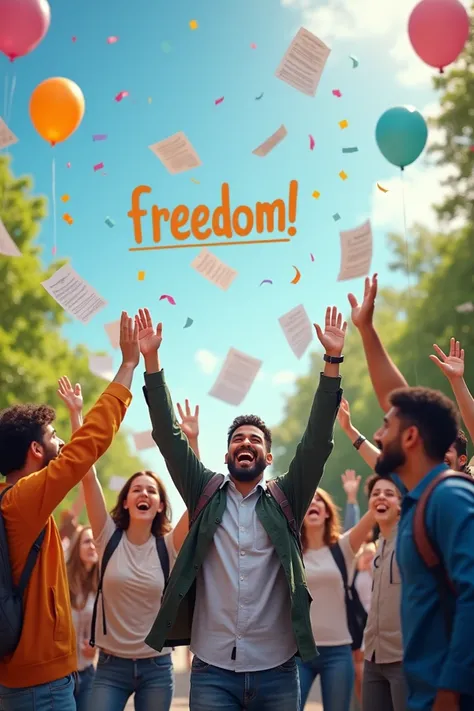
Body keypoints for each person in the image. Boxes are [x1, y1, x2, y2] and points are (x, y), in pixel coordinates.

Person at [138, 305, 346, 711]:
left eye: (255, 440)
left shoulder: (288, 497)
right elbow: (167, 433)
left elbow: (318, 441)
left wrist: (333, 362)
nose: (246, 443)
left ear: (268, 458)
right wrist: (151, 360)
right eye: (238, 438)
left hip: (279, 670)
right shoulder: (203, 490)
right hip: (212, 671)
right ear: (227, 452)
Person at [0, 311, 137, 710]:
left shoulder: (18, 501)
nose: (61, 440)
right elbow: (88, 445)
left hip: (35, 681)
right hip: (40, 689)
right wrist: (127, 366)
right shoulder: (23, 498)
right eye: (53, 435)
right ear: (35, 451)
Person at [56, 376, 193, 711]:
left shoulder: (169, 545)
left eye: (152, 491)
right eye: (137, 489)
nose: (144, 493)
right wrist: (76, 415)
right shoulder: (107, 537)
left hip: (157, 667)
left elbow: (198, 499)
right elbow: (86, 471)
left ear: (160, 504)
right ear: (127, 501)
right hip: (111, 667)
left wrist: (190, 443)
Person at [373, 386, 474, 711]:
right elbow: (395, 388)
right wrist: (368, 333)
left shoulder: (449, 497)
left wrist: (451, 688)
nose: (377, 435)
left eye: (386, 426)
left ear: (411, 436)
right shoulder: (417, 500)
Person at [297, 484, 375, 710]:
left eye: (319, 500)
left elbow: (373, 513)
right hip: (299, 651)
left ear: (327, 511)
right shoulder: (291, 551)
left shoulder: (344, 547)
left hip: (339, 652)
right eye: (308, 501)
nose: (313, 503)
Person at [361, 474, 406, 711]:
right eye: (376, 494)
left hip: (404, 659)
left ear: (402, 503)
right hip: (372, 658)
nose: (380, 498)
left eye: (389, 494)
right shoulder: (379, 545)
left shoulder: (412, 541)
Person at [66, 526, 99, 711]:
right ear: (77, 546)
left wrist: (95, 645)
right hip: (61, 675)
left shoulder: (102, 584)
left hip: (87, 672)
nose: (92, 546)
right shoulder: (62, 579)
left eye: (96, 542)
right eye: (87, 541)